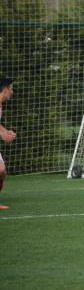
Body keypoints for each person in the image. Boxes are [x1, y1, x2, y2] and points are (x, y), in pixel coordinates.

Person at [0, 78, 15, 210]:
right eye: (11, 88)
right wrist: (3, 135)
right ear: (5, 90)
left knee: (2, 172)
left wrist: (5, 131)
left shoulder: (0, 105)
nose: (12, 91)